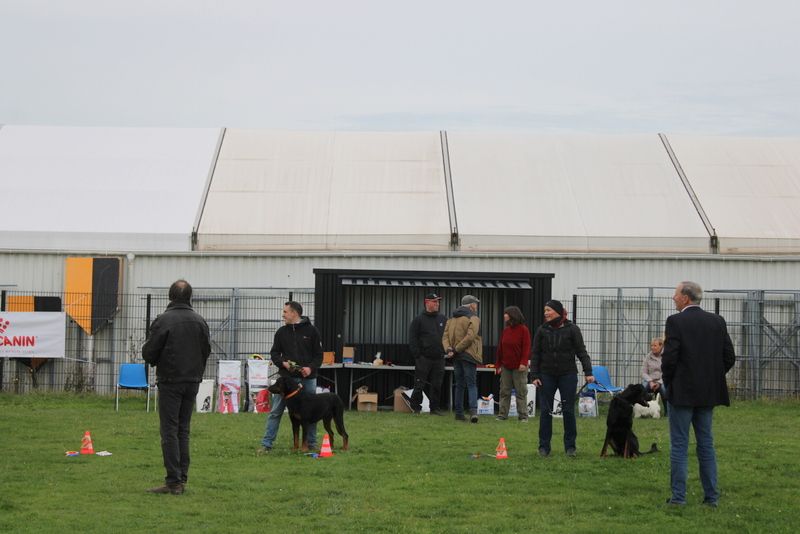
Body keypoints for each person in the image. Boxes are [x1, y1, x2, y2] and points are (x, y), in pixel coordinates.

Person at [662, 281, 735, 507]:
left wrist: (669, 382)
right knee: (706, 444)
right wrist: (711, 378)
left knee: (679, 446)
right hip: (707, 394)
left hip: (682, 393)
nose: (673, 298)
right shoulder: (717, 321)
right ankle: (711, 497)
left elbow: (670, 358)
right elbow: (729, 357)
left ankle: (678, 498)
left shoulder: (675, 322)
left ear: (685, 297)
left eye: (675, 294)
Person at [142, 279, 211, 495]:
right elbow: (206, 350)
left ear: (170, 296)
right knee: (183, 429)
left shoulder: (164, 320)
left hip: (171, 380)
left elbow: (149, 352)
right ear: (190, 297)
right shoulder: (200, 321)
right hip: (192, 381)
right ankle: (182, 477)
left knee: (169, 430)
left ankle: (173, 481)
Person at [530, 299, 595, 457]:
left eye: (549, 310)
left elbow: (581, 351)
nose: (546, 313)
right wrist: (534, 375)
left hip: (568, 375)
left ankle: (570, 447)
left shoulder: (572, 329)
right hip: (546, 375)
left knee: (568, 410)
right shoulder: (542, 330)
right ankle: (544, 447)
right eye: (545, 310)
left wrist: (588, 372)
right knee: (545, 411)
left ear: (558, 311)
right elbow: (535, 354)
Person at [258, 301, 323, 454]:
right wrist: (283, 363)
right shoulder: (281, 332)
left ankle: (311, 444)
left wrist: (310, 368)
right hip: (286, 380)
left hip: (308, 379)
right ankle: (266, 444)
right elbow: (274, 353)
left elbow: (319, 355)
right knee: (275, 412)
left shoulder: (312, 331)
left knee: (311, 413)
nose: (283, 315)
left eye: (285, 312)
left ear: (294, 313)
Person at [442, 295, 483, 423]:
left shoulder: (451, 319)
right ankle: (473, 412)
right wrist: (457, 349)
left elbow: (445, 337)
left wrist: (449, 349)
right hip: (468, 354)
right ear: (471, 305)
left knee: (459, 384)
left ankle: (459, 413)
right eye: (475, 304)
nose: (476, 307)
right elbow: (471, 337)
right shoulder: (473, 318)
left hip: (456, 356)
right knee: (471, 384)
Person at [408, 292, 447, 415]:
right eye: (434, 301)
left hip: (439, 358)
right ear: (427, 303)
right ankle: (415, 407)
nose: (437, 304)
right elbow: (412, 338)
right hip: (423, 358)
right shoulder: (418, 319)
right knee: (419, 383)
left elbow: (447, 336)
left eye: (438, 301)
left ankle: (434, 408)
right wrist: (417, 355)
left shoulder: (443, 319)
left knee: (437, 384)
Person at [495, 306, 532, 422]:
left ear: (513, 315)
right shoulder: (505, 330)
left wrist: (523, 363)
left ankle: (523, 416)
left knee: (520, 392)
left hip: (519, 367)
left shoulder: (523, 330)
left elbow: (526, 348)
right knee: (504, 391)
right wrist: (498, 365)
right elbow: (500, 349)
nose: (504, 315)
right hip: (506, 366)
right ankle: (502, 415)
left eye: (506, 313)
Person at [641, 336, 668, 416]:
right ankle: (644, 410)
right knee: (643, 387)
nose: (652, 347)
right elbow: (643, 372)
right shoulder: (648, 356)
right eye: (651, 345)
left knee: (664, 389)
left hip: (662, 381)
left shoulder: (667, 356)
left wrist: (659, 382)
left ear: (661, 346)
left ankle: (668, 412)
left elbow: (667, 372)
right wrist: (650, 381)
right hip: (650, 381)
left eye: (655, 345)